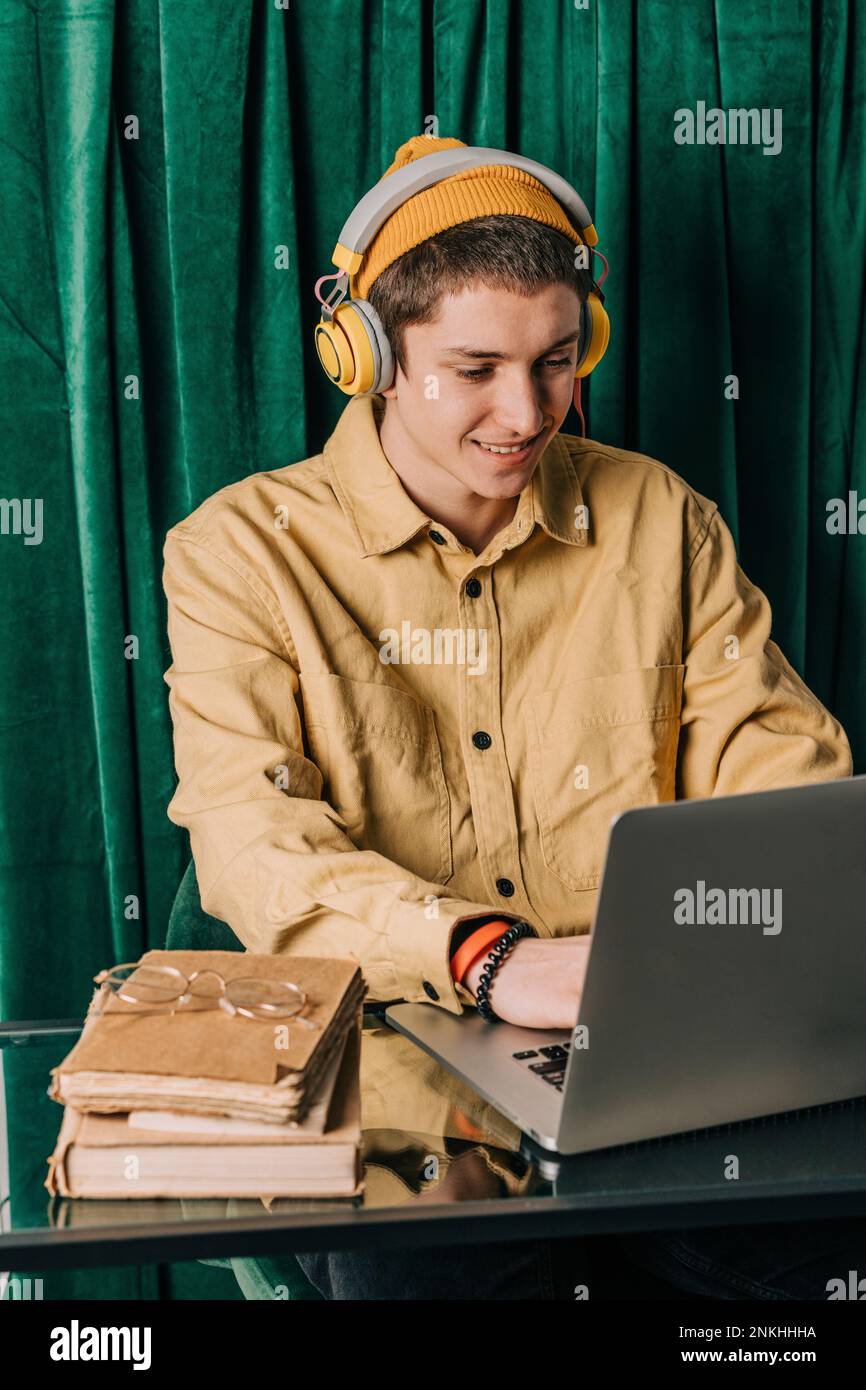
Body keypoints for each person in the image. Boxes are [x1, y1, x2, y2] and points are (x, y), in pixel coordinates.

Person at [162, 134, 856, 1299]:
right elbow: (252, 843)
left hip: (666, 1044)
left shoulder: (659, 518)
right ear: (367, 354)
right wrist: (487, 959)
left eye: (554, 360)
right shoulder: (236, 553)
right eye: (475, 367)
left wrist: (740, 955)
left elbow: (779, 775)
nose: (525, 412)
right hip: (389, 1054)